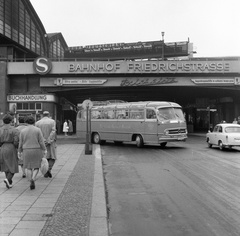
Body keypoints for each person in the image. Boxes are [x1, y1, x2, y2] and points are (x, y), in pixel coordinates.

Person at [18, 116, 47, 190]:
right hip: (36, 150)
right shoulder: (38, 130)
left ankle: (30, 179)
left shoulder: (23, 131)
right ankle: (33, 179)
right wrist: (44, 149)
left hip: (26, 150)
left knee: (28, 167)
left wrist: (19, 151)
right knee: (37, 166)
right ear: (34, 122)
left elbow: (20, 142)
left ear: (26, 122)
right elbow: (41, 141)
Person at [0, 114, 19, 189]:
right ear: (11, 121)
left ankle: (9, 182)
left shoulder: (0, 129)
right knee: (13, 165)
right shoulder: (14, 130)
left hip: (3, 147)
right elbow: (16, 141)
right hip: (11, 147)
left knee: (5, 164)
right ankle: (8, 179)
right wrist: (16, 147)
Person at [35, 111, 57, 178]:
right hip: (51, 142)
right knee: (52, 156)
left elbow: (37, 133)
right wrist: (49, 139)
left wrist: (42, 140)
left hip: (41, 143)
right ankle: (49, 169)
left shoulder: (37, 123)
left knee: (44, 157)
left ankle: (45, 170)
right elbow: (53, 131)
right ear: (49, 115)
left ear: (42, 115)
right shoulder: (52, 121)